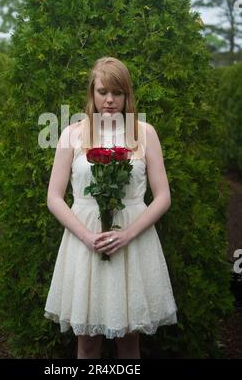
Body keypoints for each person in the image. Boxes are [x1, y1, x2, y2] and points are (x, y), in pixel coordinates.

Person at [45, 57, 177, 359]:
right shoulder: (72, 134)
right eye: (103, 91)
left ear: (127, 95)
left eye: (117, 92)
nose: (109, 99)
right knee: (87, 340)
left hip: (134, 243)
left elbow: (163, 197)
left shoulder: (144, 133)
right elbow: (54, 197)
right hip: (84, 242)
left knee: (129, 339)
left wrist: (128, 234)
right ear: (92, 93)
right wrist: (87, 237)